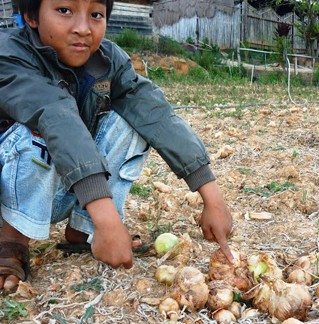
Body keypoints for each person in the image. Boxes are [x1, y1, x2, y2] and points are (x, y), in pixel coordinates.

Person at [0, 0, 233, 291]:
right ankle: (12, 239)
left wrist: (211, 196)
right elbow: (54, 113)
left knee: (132, 120)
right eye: (64, 11)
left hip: (64, 181)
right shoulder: (9, 54)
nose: (83, 28)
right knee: (34, 131)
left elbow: (154, 112)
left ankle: (84, 231)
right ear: (31, 16)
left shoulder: (108, 61)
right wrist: (110, 220)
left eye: (95, 14)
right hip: (10, 187)